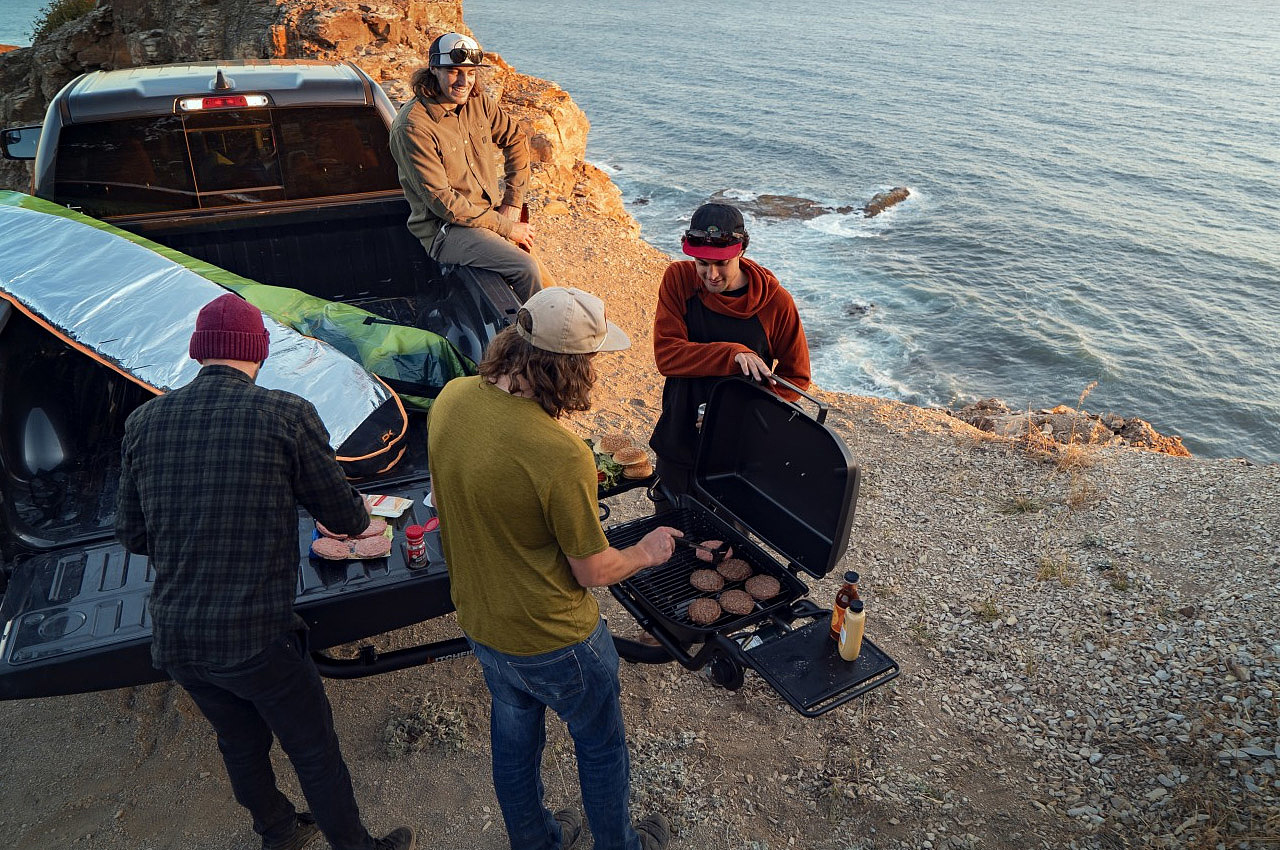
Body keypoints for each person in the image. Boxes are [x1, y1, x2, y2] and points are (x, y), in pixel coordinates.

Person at [115, 294, 415, 850]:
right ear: (261, 352)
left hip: (177, 638)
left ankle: (278, 833)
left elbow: (132, 535)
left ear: (197, 351)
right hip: (256, 638)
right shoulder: (285, 413)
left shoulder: (143, 421)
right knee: (313, 752)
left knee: (239, 744)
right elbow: (346, 517)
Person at [427, 287, 677, 850]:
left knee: (515, 735)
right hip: (555, 638)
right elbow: (591, 569)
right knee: (600, 745)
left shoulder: (452, 399)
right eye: (590, 363)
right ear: (571, 368)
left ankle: (535, 841)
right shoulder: (560, 453)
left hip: (482, 620)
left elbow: (448, 505)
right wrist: (647, 551)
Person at [649, 202, 812, 499]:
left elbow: (796, 378)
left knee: (729, 541)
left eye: (721, 263)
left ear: (741, 252)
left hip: (739, 451)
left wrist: (743, 416)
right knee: (666, 533)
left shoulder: (776, 302)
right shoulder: (679, 279)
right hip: (679, 436)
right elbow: (667, 355)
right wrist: (734, 353)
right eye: (702, 263)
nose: (711, 275)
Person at [389, 32, 544, 301]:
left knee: (547, 281)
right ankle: (535, 343)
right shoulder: (414, 127)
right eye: (454, 72)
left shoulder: (477, 102)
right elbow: (445, 203)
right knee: (525, 268)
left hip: (488, 217)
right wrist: (506, 227)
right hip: (447, 230)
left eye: (470, 73)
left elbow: (516, 140)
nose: (464, 82)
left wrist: (512, 203)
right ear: (434, 69)